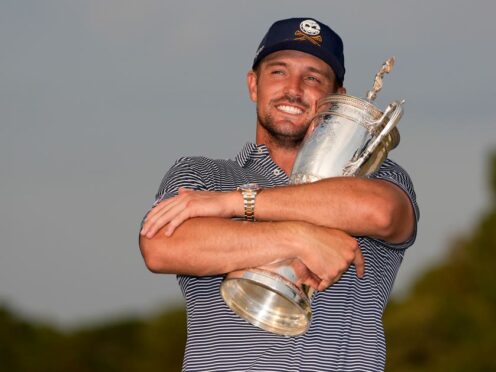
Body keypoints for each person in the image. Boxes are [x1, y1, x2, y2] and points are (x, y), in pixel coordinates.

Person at [139, 17, 419, 372]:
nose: (294, 88)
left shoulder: (376, 175)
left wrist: (235, 205)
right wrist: (299, 238)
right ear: (253, 84)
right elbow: (163, 245)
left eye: (313, 77)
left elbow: (379, 212)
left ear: (339, 98)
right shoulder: (201, 176)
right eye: (278, 72)